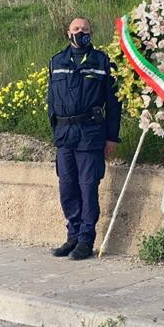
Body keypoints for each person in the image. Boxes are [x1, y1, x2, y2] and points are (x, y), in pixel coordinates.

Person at [47, 17, 121, 261]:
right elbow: (51, 100)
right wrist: (55, 131)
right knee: (67, 186)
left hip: (90, 133)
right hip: (65, 135)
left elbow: (113, 102)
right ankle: (73, 234)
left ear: (91, 33)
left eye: (85, 30)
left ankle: (86, 239)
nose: (81, 33)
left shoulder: (101, 62)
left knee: (88, 187)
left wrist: (111, 137)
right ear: (68, 32)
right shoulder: (57, 61)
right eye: (76, 29)